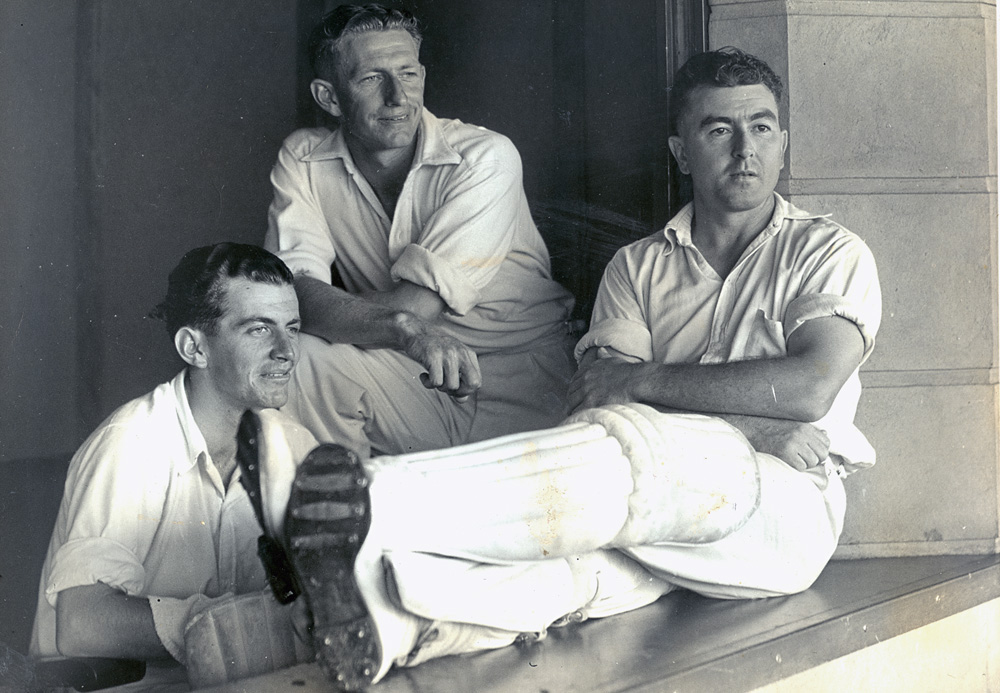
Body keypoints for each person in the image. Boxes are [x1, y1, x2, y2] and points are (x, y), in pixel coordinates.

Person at [267, 46, 881, 692]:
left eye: (760, 127)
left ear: (782, 142)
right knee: (573, 570)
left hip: (781, 504)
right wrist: (758, 420)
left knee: (628, 461)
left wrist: (660, 389)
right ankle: (374, 629)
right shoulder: (638, 268)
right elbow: (603, 403)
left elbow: (810, 386)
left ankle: (365, 502)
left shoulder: (826, 251)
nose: (744, 150)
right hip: (658, 522)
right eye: (718, 130)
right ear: (681, 152)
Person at [263, 4, 576, 458]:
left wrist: (353, 312)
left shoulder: (486, 156)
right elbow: (289, 299)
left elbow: (416, 306)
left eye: (408, 74)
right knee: (298, 357)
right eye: (371, 79)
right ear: (329, 98)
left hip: (527, 384)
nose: (398, 97)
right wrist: (398, 325)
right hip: (407, 368)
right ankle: (349, 514)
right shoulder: (304, 158)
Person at [30, 243, 318, 688]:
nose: (287, 351)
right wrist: (240, 622)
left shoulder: (294, 445)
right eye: (260, 329)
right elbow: (82, 624)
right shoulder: (130, 443)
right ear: (194, 348)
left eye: (292, 328)